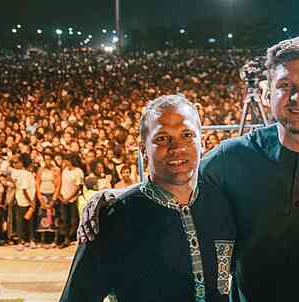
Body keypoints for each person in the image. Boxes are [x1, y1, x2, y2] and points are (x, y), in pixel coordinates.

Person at [79, 37, 299, 302]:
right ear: (268, 95)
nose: (297, 97)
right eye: (285, 86)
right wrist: (117, 196)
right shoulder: (233, 157)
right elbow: (178, 180)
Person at [60, 95, 236, 302]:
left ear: (202, 142)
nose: (176, 147)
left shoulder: (226, 204)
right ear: (143, 149)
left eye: (187, 135)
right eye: (162, 138)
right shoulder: (110, 220)